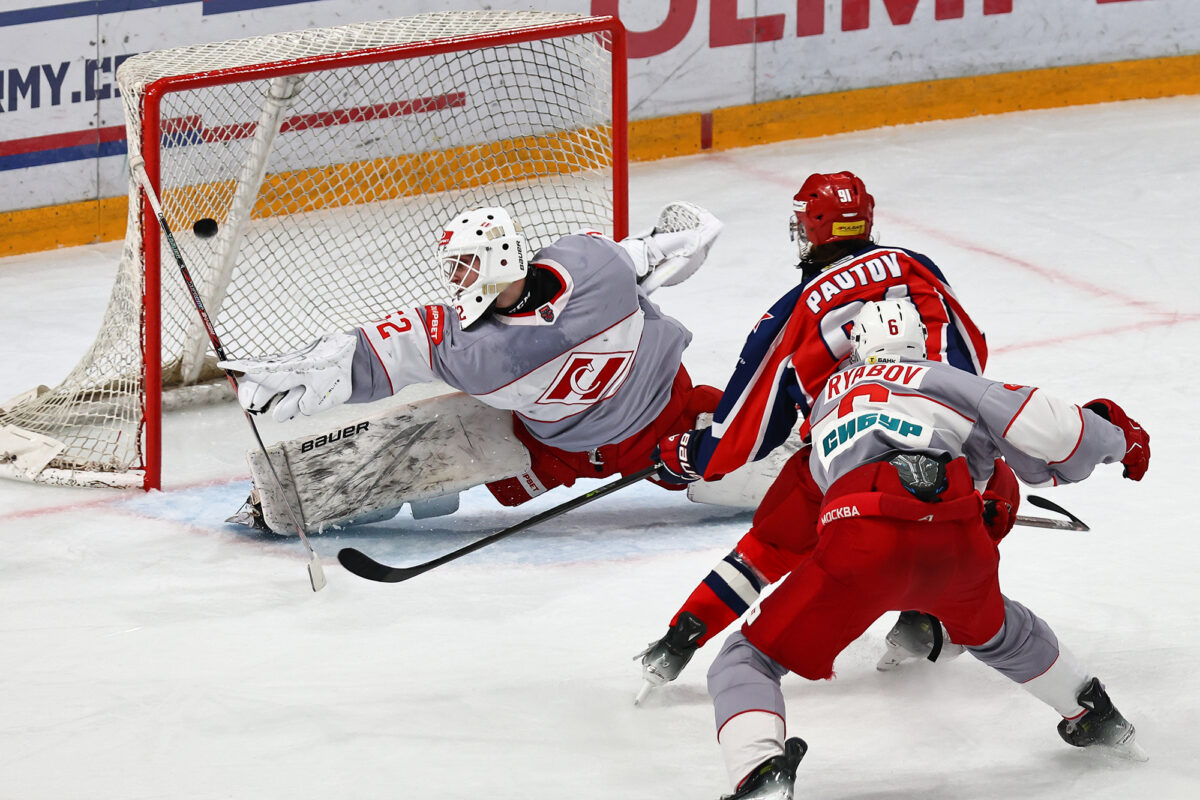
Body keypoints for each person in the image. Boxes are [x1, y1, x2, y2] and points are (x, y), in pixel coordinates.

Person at [702, 299, 1150, 798]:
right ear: (922, 345)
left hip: (856, 545)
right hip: (955, 545)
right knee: (1003, 632)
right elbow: (1062, 432)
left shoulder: (825, 405)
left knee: (748, 659)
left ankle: (759, 772)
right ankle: (1097, 717)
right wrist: (1118, 438)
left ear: (858, 351)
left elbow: (781, 527)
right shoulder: (947, 379)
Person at [637, 171, 1000, 692]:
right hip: (950, 448)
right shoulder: (920, 268)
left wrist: (694, 453)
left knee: (773, 542)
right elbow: (973, 353)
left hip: (847, 459)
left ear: (811, 230)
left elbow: (748, 427)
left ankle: (679, 640)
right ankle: (927, 619)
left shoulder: (798, 309)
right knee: (987, 498)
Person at [218, 203, 729, 523]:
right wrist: (323, 365)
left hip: (668, 421)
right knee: (458, 460)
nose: (459, 278)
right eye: (454, 268)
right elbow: (388, 348)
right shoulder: (586, 265)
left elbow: (653, 254)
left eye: (467, 264)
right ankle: (297, 497)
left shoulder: (582, 275)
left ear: (502, 257)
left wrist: (673, 244)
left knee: (764, 457)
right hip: (558, 451)